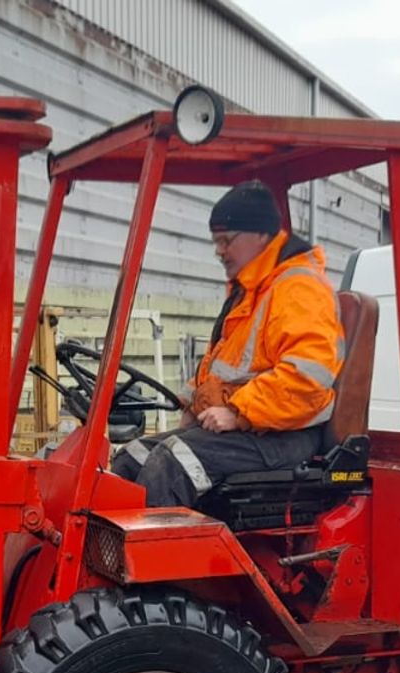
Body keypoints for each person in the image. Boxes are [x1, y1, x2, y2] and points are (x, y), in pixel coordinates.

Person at [109, 181, 344, 507]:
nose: (219, 250)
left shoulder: (299, 290)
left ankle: (162, 558)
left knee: (170, 465)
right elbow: (223, 368)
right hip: (253, 429)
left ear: (260, 235)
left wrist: (237, 412)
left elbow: (307, 381)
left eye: (226, 240)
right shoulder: (250, 291)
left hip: (286, 434)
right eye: (215, 241)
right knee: (131, 457)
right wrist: (191, 404)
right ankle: (107, 554)